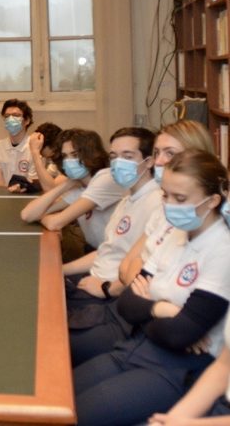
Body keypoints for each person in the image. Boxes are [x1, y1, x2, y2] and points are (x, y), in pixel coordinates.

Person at [73, 149, 230, 425]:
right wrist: (162, 308)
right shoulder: (175, 234)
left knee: (79, 416)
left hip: (175, 369)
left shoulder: (222, 250)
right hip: (134, 346)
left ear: (212, 200)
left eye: (180, 199)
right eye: (165, 195)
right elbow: (126, 304)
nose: (169, 205)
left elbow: (179, 335)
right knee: (61, 396)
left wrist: (148, 309)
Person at [62, 128, 159, 366]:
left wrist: (106, 287)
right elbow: (107, 249)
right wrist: (60, 270)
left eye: (128, 156)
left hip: (106, 298)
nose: (118, 163)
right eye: (114, 156)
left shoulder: (157, 202)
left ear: (149, 161)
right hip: (93, 279)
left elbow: (142, 270)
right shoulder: (128, 199)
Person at [119, 120, 215, 286]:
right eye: (157, 153)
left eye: (170, 154)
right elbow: (127, 265)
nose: (158, 162)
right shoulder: (164, 205)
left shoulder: (207, 215)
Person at [20, 129, 123, 262]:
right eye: (65, 156)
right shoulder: (80, 188)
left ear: (91, 154)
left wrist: (43, 217)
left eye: (74, 155)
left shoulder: (105, 179)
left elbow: (55, 223)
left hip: (115, 258)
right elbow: (27, 214)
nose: (69, 161)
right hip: (97, 254)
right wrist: (66, 184)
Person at [0, 99, 39, 191]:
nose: (10, 119)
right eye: (7, 116)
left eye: (16, 115)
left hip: (28, 197)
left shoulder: (35, 146)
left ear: (27, 120)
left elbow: (33, 183)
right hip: (4, 197)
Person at [30, 122, 67, 189]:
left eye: (52, 157)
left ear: (54, 147)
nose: (51, 160)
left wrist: (35, 153)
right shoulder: (55, 163)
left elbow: (50, 188)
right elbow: (45, 179)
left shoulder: (71, 163)